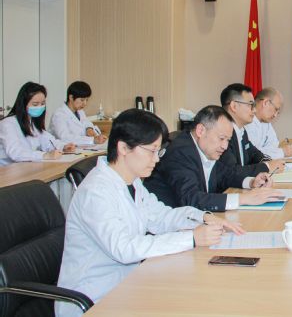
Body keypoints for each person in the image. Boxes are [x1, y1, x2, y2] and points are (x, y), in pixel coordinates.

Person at [56, 109, 243, 317]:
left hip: (129, 284)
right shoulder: (95, 192)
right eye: (151, 151)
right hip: (95, 299)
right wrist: (191, 238)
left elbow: (160, 217)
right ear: (123, 148)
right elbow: (124, 248)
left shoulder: (133, 182)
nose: (156, 159)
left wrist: (203, 217)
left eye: (158, 152)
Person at [144, 105, 283, 211]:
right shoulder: (180, 152)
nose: (225, 146)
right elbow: (191, 198)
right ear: (200, 130)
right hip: (169, 229)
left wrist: (251, 182)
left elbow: (224, 175)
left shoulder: (204, 148)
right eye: (221, 138)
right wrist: (243, 199)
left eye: (228, 140)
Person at [0, 81, 76, 166]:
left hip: (26, 167)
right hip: (7, 169)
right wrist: (44, 155)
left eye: (42, 103)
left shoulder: (32, 122)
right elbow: (16, 153)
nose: (40, 107)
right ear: (23, 104)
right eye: (35, 104)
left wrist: (63, 146)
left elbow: (48, 141)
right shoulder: (7, 124)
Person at [220, 83, 285, 173]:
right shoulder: (222, 134)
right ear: (234, 106)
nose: (254, 110)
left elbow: (254, 154)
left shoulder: (241, 131)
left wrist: (269, 162)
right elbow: (232, 171)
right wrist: (267, 166)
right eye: (250, 105)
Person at [49, 81, 108, 146]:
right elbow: (65, 138)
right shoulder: (59, 115)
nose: (85, 103)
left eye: (87, 100)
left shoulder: (80, 112)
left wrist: (89, 129)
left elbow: (87, 123)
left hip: (81, 148)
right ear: (71, 97)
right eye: (82, 100)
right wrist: (92, 140)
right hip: (63, 150)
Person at [246, 87, 292, 159]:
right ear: (266, 103)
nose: (275, 115)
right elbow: (253, 155)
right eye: (276, 109)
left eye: (278, 112)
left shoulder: (266, 122)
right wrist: (282, 152)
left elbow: (274, 146)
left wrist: (275, 152)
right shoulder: (246, 122)